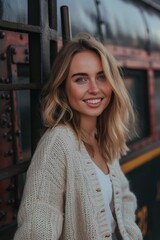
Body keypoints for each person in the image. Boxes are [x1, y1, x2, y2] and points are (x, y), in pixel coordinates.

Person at [14, 33, 143, 240]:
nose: (94, 89)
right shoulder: (58, 142)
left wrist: (131, 232)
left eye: (101, 76)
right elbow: (37, 231)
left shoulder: (103, 137)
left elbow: (125, 196)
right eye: (81, 79)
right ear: (63, 88)